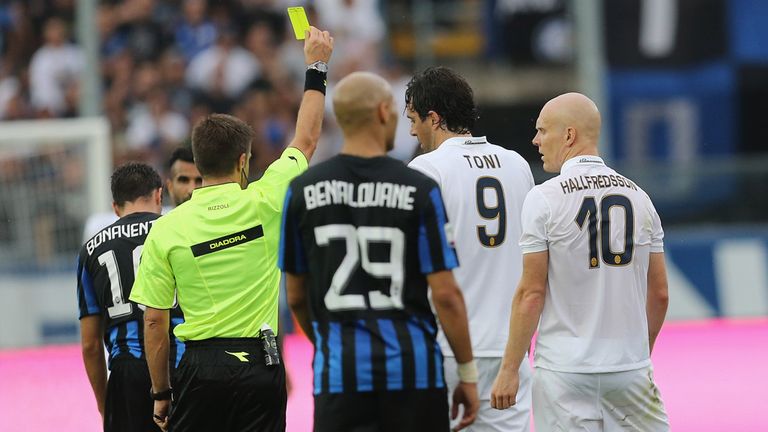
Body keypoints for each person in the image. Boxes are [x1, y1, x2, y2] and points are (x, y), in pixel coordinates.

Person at [129, 26, 333, 432]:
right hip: (262, 361)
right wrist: (317, 65)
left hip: (202, 367)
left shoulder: (167, 229)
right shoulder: (267, 199)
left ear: (198, 165)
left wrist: (161, 394)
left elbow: (155, 321)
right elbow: (306, 139)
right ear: (243, 161)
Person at [279, 71, 480, 432]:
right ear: (385, 112)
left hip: (340, 374)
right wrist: (467, 373)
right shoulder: (419, 188)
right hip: (412, 372)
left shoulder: (302, 190)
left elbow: (295, 298)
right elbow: (446, 294)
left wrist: (328, 341)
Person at [490, 93, 670, 431]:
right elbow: (659, 293)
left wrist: (510, 369)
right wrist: (636, 355)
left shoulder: (544, 199)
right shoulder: (640, 198)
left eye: (543, 131)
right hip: (628, 367)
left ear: (569, 135)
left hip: (564, 372)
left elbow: (531, 293)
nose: (536, 140)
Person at [406, 66, 534, 431]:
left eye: (414, 119)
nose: (412, 130)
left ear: (434, 117)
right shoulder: (517, 164)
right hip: (510, 347)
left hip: (449, 347)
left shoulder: (426, 169)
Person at [77, 162, 184, 432]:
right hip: (182, 361)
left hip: (127, 369)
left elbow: (90, 345)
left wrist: (106, 403)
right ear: (160, 195)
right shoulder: (179, 231)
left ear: (115, 207)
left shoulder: (91, 250)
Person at [82, 146, 202, 241]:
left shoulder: (218, 223)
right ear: (169, 186)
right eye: (184, 180)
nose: (191, 189)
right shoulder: (159, 224)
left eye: (199, 180)